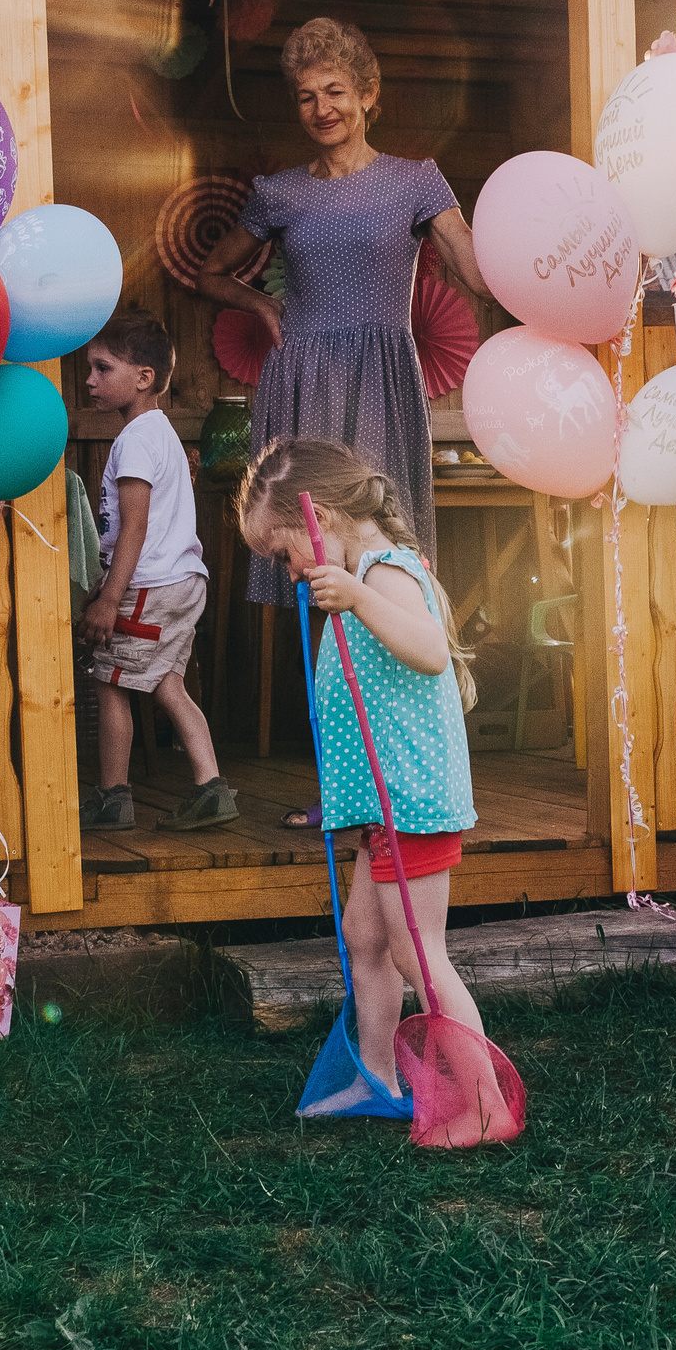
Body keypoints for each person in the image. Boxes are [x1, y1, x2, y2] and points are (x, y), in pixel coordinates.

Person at [192, 16, 499, 830]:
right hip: (305, 377)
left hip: (383, 376)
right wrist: (262, 304)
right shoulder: (279, 193)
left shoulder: (416, 180)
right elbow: (211, 270)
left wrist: (536, 268)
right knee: (319, 565)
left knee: (383, 554)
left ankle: (405, 767)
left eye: (335, 91)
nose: (321, 107)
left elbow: (472, 264)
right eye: (305, 97)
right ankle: (343, 781)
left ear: (367, 94)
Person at [238, 435, 512, 1138]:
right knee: (365, 936)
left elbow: (428, 651)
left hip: (413, 801)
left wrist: (357, 595)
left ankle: (480, 1102)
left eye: (282, 552)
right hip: (382, 806)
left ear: (318, 516)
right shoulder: (357, 581)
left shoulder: (384, 573)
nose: (288, 571)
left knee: (421, 955)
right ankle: (377, 1076)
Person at [77, 309, 237, 834]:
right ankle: (210, 786)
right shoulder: (160, 432)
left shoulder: (137, 440)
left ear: (143, 378)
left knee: (110, 682)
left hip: (147, 586)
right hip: (182, 581)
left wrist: (107, 598)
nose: (90, 380)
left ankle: (112, 798)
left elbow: (135, 528)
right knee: (167, 682)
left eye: (102, 368)